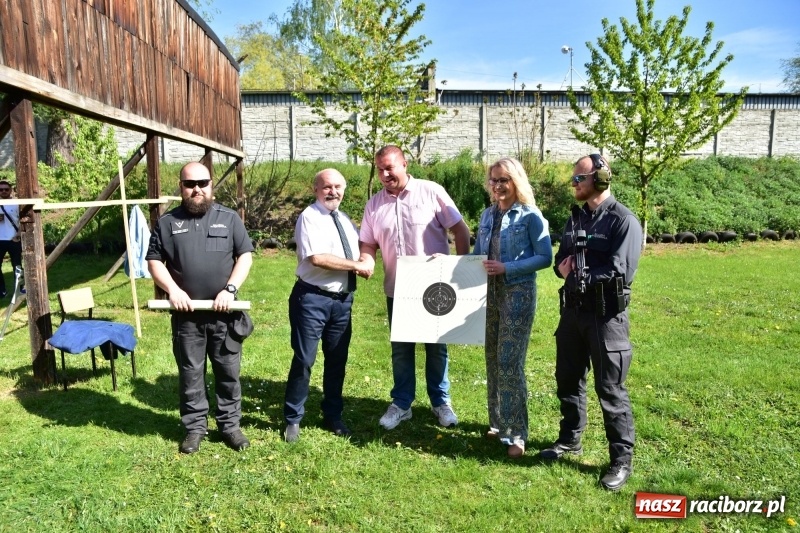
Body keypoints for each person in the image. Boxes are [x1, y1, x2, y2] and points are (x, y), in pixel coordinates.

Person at [539, 154, 642, 491]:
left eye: (578, 179)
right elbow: (560, 260)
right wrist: (563, 269)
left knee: (610, 388)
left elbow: (620, 270)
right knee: (567, 378)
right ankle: (570, 440)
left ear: (600, 178)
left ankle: (620, 459)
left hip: (605, 315)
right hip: (572, 312)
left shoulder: (622, 220)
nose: (574, 184)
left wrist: (581, 273)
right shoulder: (575, 218)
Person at [358, 145, 471, 430]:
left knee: (436, 348)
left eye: (390, 168)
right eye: (380, 169)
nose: (384, 174)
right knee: (401, 350)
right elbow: (368, 242)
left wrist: (461, 268)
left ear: (405, 164)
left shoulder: (431, 192)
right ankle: (402, 404)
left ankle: (441, 402)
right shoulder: (374, 204)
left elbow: (460, 230)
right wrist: (366, 260)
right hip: (397, 288)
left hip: (434, 287)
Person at [146, 162, 254, 454]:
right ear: (180, 187)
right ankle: (195, 428)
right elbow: (154, 261)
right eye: (190, 183)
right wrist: (174, 290)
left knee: (228, 372)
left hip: (224, 315)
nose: (197, 189)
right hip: (187, 317)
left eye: (203, 183)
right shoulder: (167, 223)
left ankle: (230, 426)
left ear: (211, 186)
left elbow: (245, 256)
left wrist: (230, 289)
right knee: (191, 373)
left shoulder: (230, 219)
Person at [472, 158, 552, 458]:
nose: (497, 186)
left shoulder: (530, 216)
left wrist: (508, 267)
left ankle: (517, 434)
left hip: (517, 294)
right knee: (492, 358)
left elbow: (545, 257)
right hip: (487, 296)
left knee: (510, 361)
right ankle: (498, 423)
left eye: (503, 180)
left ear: (516, 181)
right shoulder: (486, 215)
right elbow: (476, 256)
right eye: (493, 180)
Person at [283, 169, 368, 443]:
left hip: (342, 302)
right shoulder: (310, 217)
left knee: (337, 360)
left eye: (338, 186)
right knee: (304, 360)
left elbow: (362, 250)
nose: (333, 191)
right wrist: (357, 266)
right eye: (327, 187)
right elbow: (317, 258)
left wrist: (368, 259)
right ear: (315, 189)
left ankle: (333, 414)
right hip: (312, 299)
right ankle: (293, 418)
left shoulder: (344, 219)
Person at [0, 180, 22, 299]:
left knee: (17, 265)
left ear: (11, 190)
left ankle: (19, 289)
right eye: (1, 189)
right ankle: (2, 291)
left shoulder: (17, 203)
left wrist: (18, 235)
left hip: (14, 239)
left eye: (6, 189)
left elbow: (23, 220)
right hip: (0, 239)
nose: (3, 191)